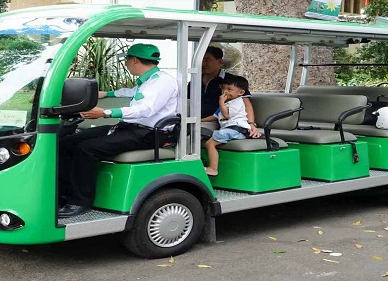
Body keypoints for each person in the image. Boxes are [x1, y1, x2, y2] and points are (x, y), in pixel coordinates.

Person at [57, 43, 178, 217]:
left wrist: (105, 112)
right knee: (65, 142)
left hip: (149, 134)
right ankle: (62, 194)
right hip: (129, 128)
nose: (127, 64)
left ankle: (79, 201)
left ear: (134, 60)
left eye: (127, 60)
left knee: (86, 149)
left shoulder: (163, 82)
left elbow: (146, 109)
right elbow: (132, 92)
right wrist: (106, 94)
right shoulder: (149, 80)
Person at [193, 46, 261, 138]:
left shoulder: (231, 81)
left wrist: (251, 124)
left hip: (220, 121)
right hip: (199, 119)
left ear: (219, 62)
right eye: (201, 60)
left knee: (193, 133)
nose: (203, 64)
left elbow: (246, 104)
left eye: (207, 60)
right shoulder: (194, 82)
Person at [201, 76, 251, 176]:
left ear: (240, 92)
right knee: (207, 138)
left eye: (229, 89)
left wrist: (221, 102)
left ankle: (213, 168)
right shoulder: (226, 103)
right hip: (230, 129)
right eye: (223, 88)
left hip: (237, 129)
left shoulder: (237, 102)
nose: (225, 92)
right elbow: (214, 116)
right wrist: (198, 120)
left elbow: (226, 114)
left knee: (210, 143)